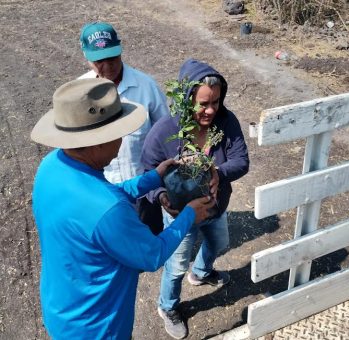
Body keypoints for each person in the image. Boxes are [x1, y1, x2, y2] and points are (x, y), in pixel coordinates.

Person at [30, 78, 215, 339]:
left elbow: (97, 203)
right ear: (97, 142)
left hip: (61, 308)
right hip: (98, 327)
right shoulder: (109, 210)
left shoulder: (51, 167)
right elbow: (152, 255)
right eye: (118, 135)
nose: (121, 143)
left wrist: (154, 177)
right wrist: (188, 215)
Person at [141, 58, 250, 339]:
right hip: (180, 215)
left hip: (215, 207)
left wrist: (218, 172)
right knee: (176, 265)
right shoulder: (165, 131)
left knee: (219, 242)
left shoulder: (227, 122)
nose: (210, 110)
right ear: (187, 98)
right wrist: (162, 195)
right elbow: (147, 170)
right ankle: (168, 306)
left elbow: (241, 161)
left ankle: (201, 273)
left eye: (215, 101)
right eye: (203, 103)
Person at [79, 21, 168, 233]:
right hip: (102, 189)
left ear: (120, 50)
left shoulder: (146, 86)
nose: (108, 66)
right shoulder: (80, 92)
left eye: (112, 57)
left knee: (147, 238)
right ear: (87, 59)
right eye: (99, 61)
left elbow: (166, 131)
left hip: (144, 187)